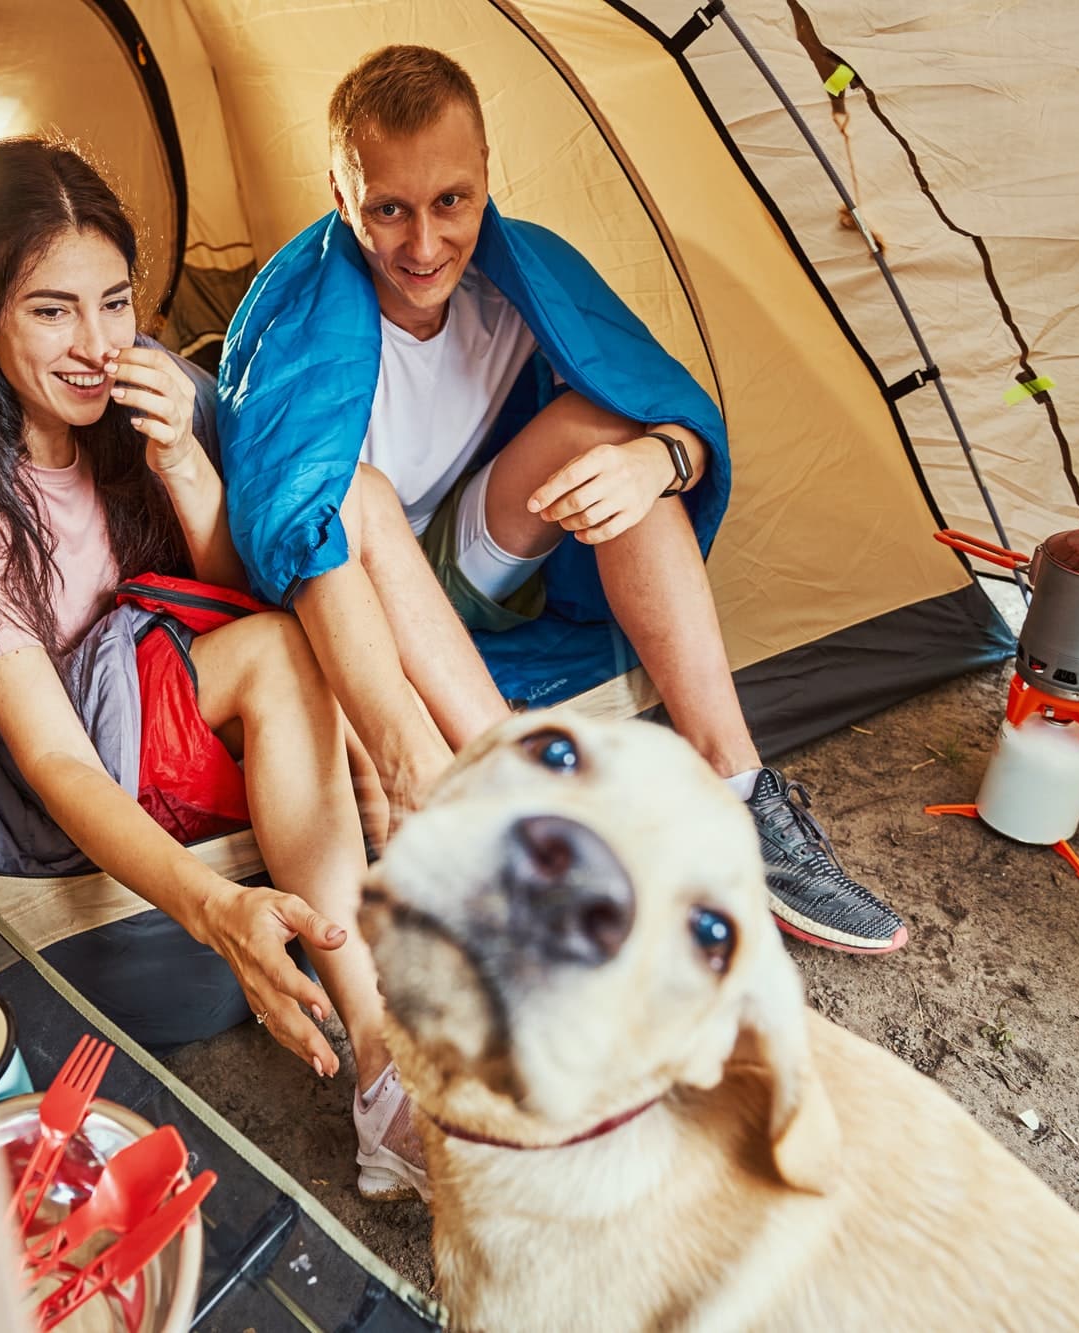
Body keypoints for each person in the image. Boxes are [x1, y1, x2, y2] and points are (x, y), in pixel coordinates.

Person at [217, 47, 908, 957]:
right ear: (342, 196)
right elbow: (284, 525)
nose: (424, 246)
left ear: (486, 178)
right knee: (353, 490)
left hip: (471, 556)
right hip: (354, 598)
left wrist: (655, 461)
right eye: (389, 209)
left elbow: (670, 407)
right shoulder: (296, 312)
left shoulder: (523, 272)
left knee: (614, 431)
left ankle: (735, 787)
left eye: (451, 203)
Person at [0, 138, 428, 1200]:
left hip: (184, 697)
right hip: (107, 758)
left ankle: (426, 848)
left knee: (326, 553)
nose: (94, 343)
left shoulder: (133, 416)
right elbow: (52, 759)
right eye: (50, 311)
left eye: (113, 301)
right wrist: (210, 908)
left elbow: (236, 587)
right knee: (287, 651)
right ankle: (381, 1069)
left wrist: (183, 456)